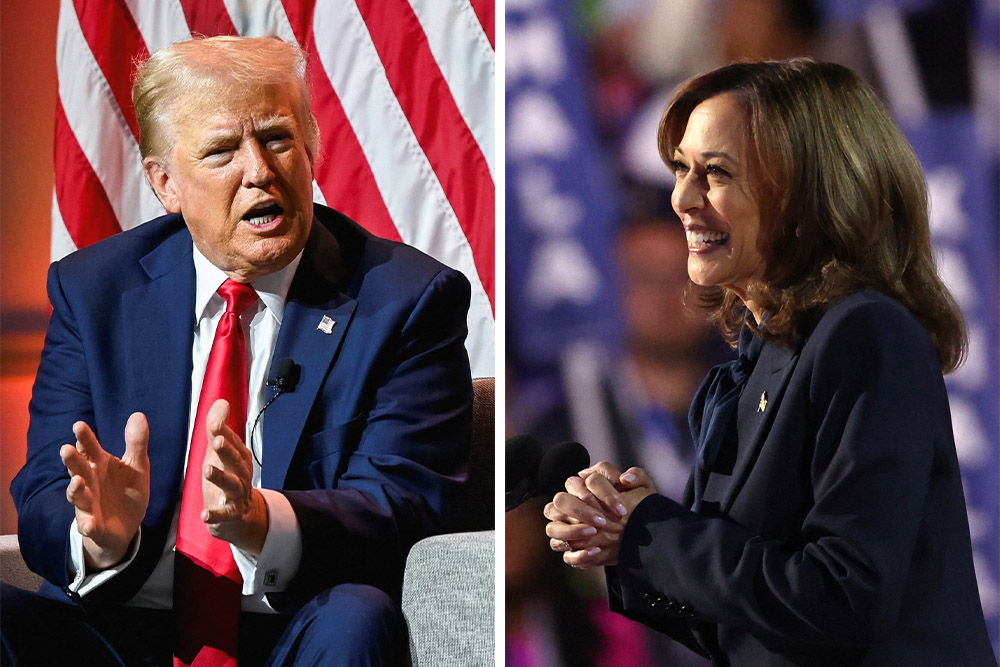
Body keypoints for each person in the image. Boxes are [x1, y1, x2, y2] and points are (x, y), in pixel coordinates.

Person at [4, 35, 472, 666]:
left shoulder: (405, 300)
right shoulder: (95, 290)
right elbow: (41, 493)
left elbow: (407, 503)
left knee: (359, 616)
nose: (259, 170)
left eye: (277, 138)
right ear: (165, 183)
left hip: (292, 631)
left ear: (311, 151)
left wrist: (265, 521)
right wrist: (101, 539)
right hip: (116, 631)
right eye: (222, 150)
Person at [543, 59, 996, 665]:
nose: (682, 199)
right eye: (681, 169)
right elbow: (743, 624)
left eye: (717, 173)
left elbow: (842, 594)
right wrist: (625, 537)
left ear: (809, 191)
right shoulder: (745, 367)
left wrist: (651, 531)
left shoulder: (865, 333)